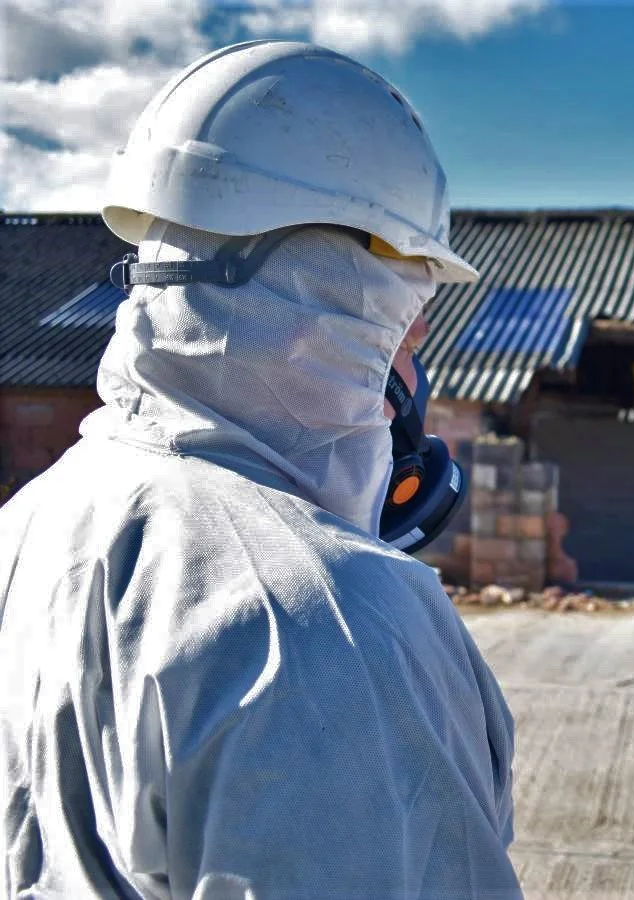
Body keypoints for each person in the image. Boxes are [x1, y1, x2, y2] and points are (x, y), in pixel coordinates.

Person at [0, 41, 522, 898]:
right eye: (410, 329)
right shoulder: (335, 621)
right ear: (339, 311)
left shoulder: (30, 523)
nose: (414, 378)